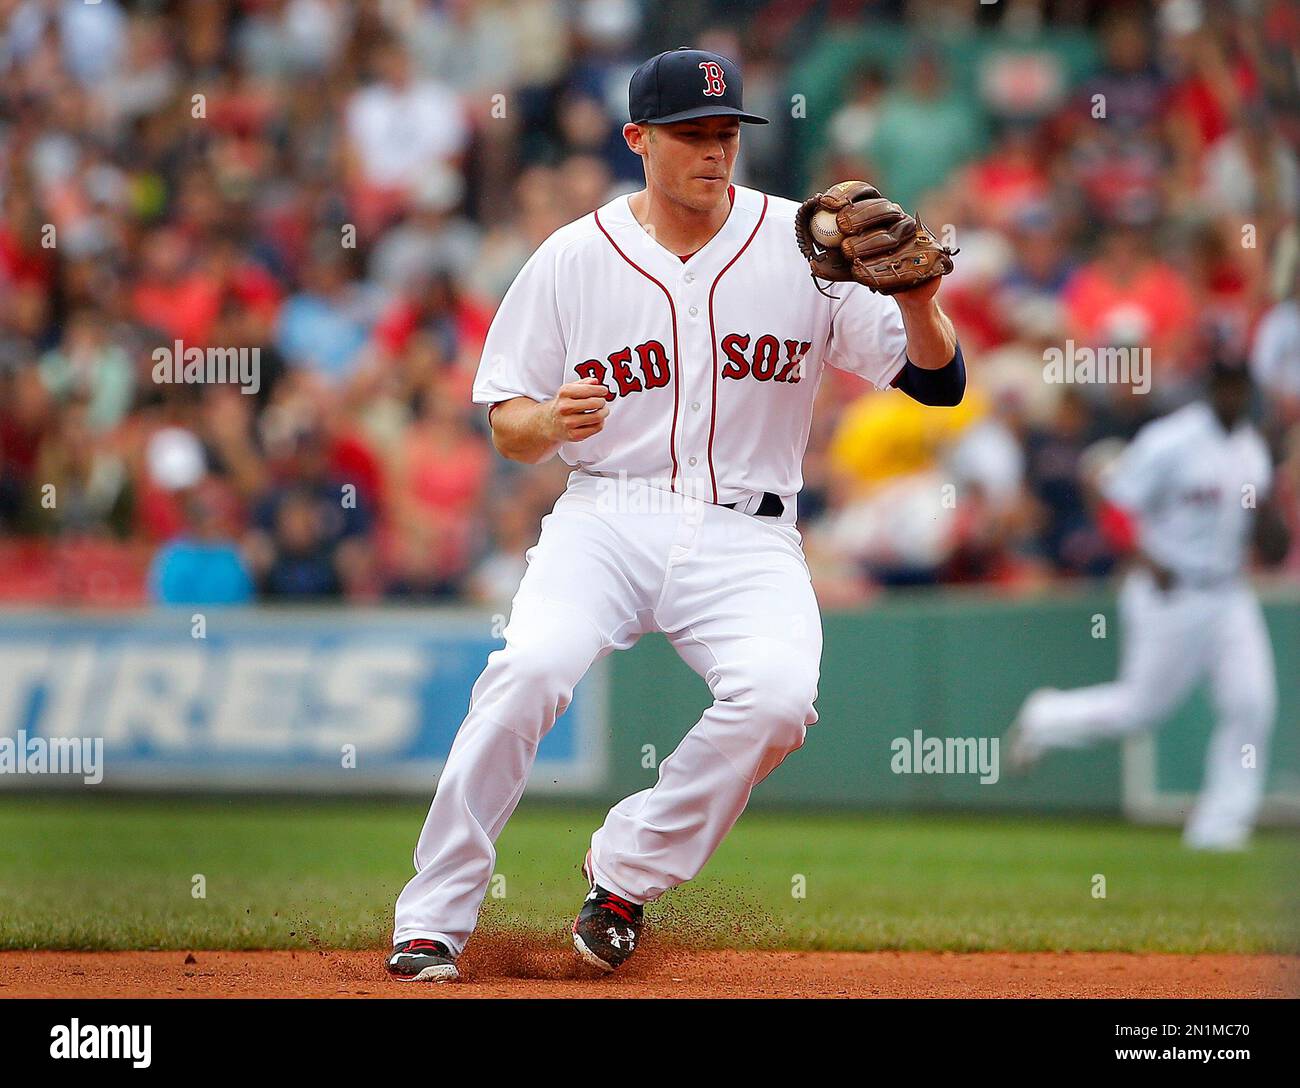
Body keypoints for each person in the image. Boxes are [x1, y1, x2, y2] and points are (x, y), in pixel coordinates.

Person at [387, 47, 966, 983]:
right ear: (637, 140)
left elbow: (938, 383)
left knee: (778, 700)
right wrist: (547, 418)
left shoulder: (803, 248)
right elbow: (507, 426)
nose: (714, 149)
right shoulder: (573, 256)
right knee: (527, 671)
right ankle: (434, 918)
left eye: (727, 131)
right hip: (606, 515)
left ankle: (623, 876)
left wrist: (923, 305)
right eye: (692, 134)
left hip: (750, 529)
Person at [1006, 361, 1288, 851]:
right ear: (1209, 384)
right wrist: (1143, 556)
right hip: (1169, 591)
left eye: (1241, 383)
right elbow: (1111, 496)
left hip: (1229, 592)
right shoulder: (1172, 439)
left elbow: (1274, 543)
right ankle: (1046, 716)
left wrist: (1266, 509)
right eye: (1225, 381)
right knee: (1140, 709)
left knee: (1252, 703)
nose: (1233, 393)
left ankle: (1220, 828)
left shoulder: (1250, 447)